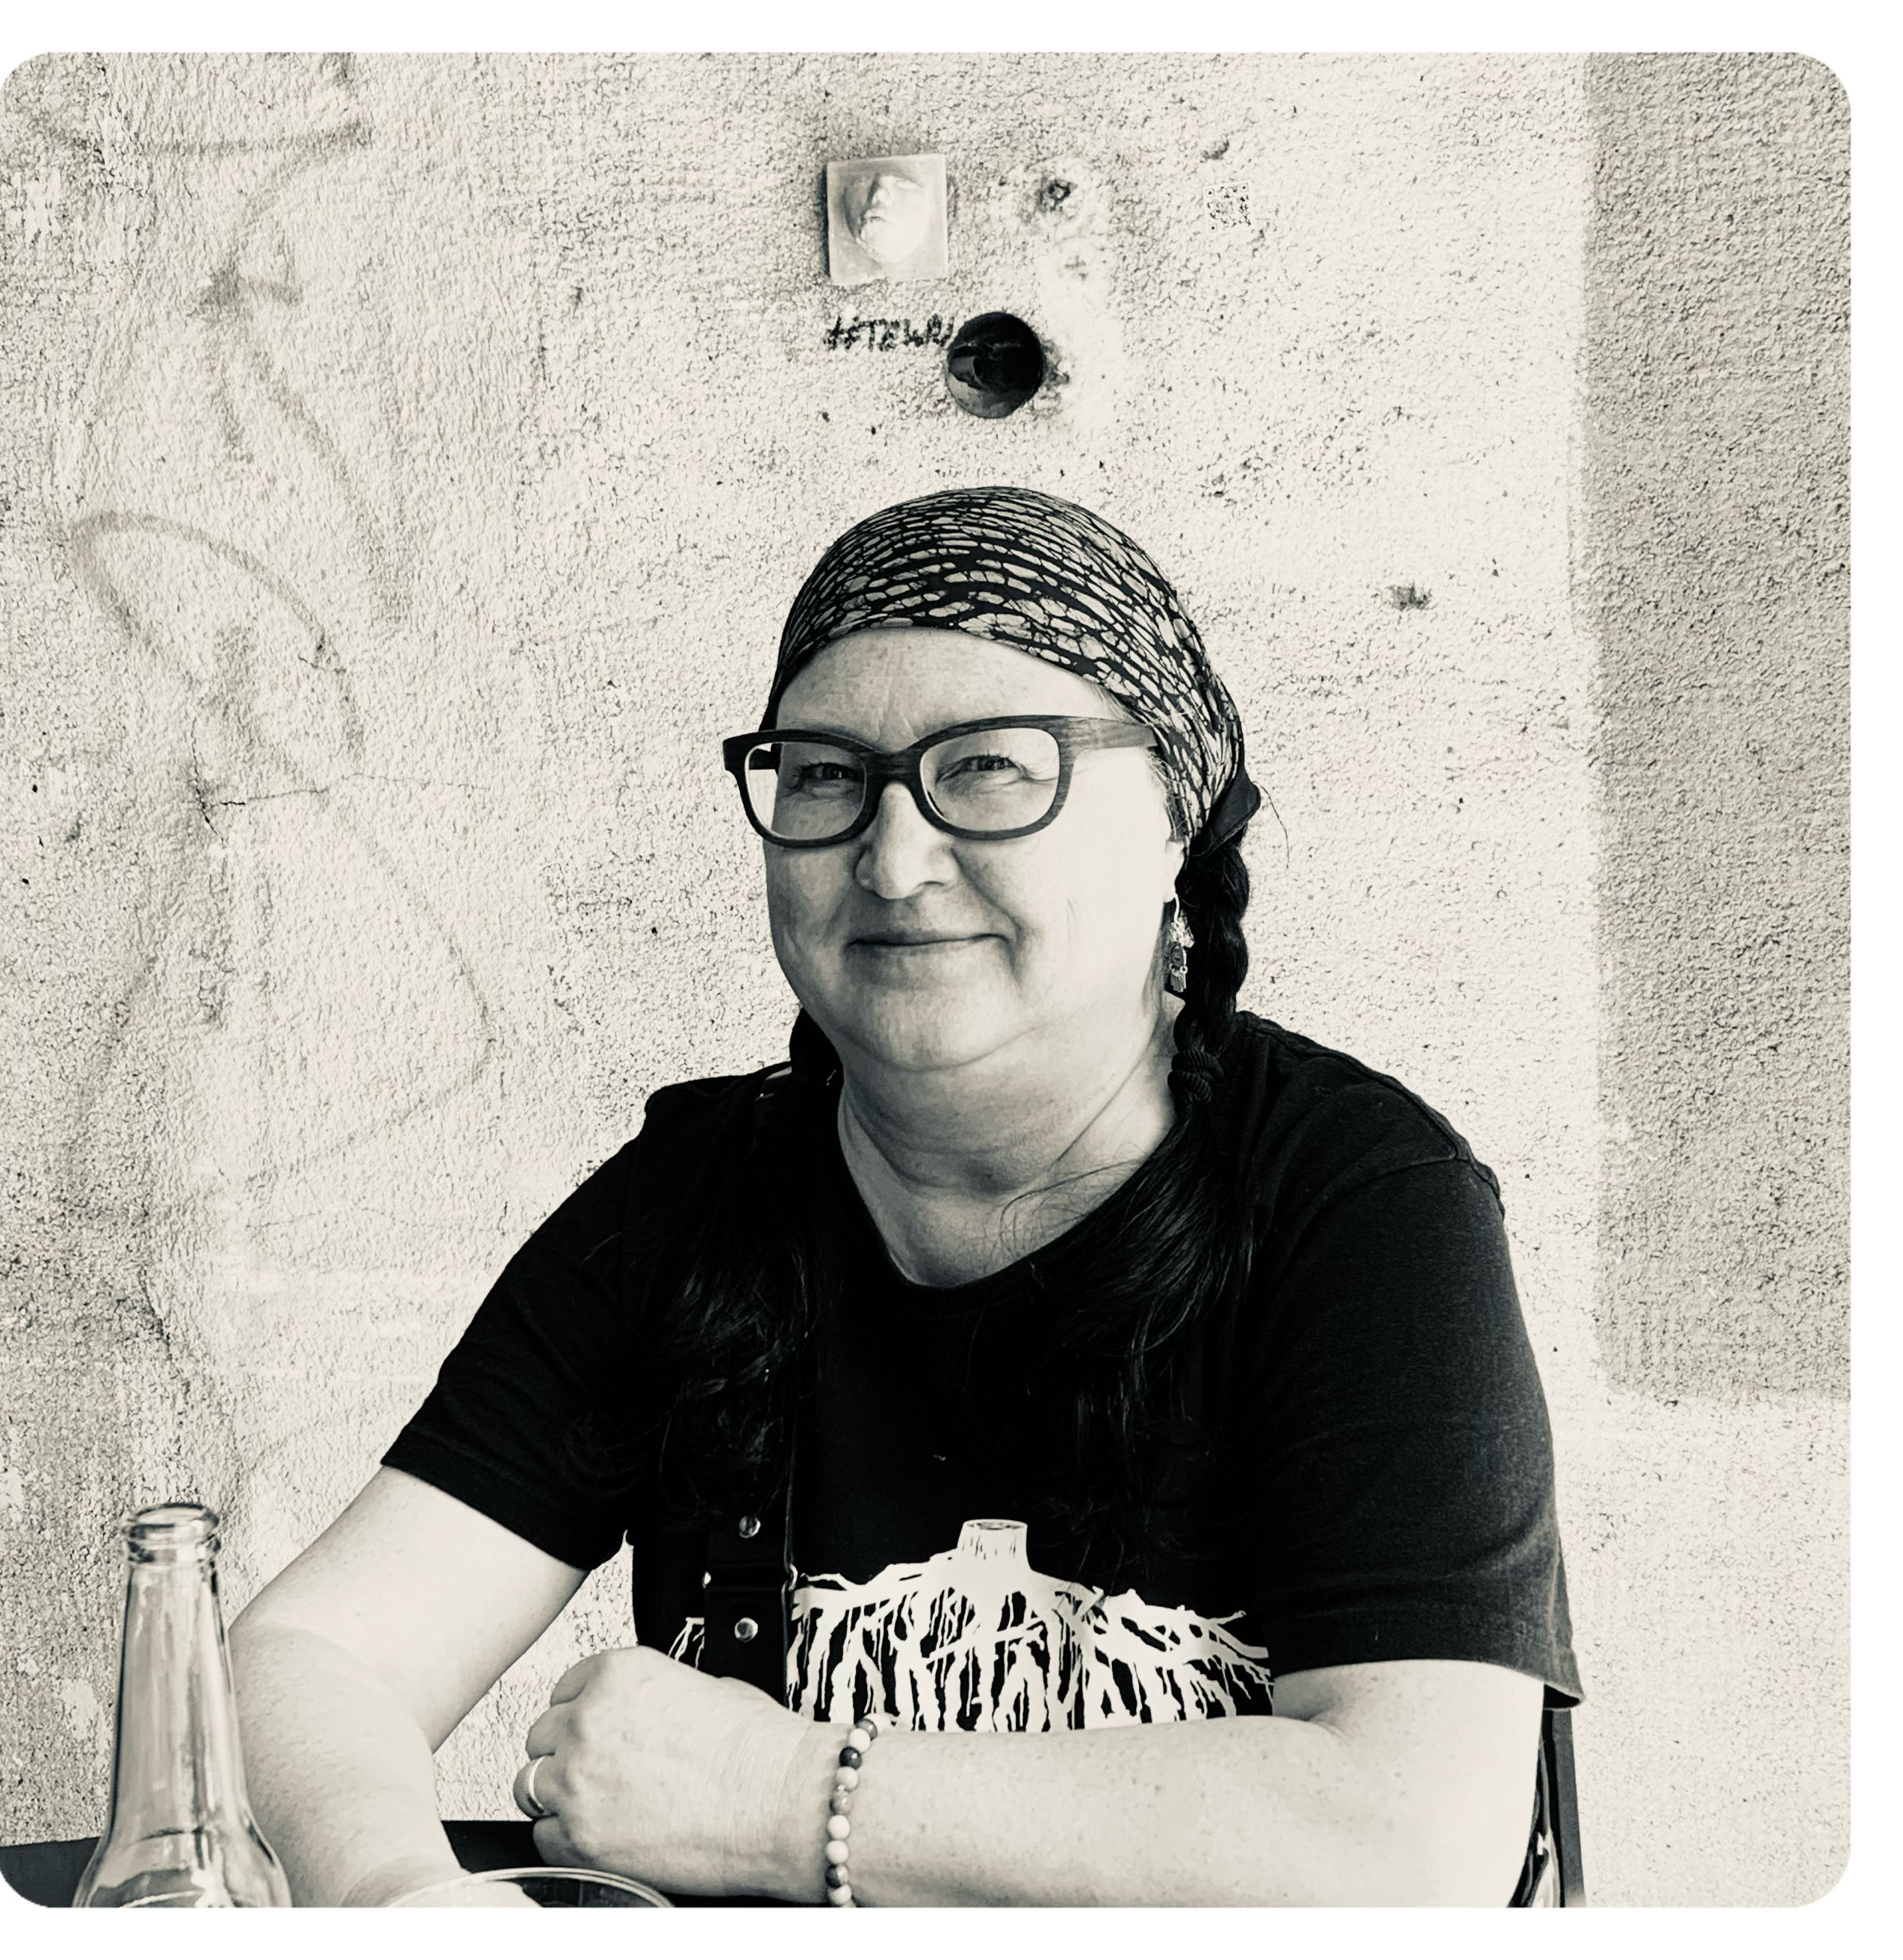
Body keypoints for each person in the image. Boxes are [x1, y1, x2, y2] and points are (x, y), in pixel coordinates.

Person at [230, 485, 1583, 1908]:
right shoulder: (693, 1198)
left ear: (1174, 822)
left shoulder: (1356, 1205)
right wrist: (399, 1897)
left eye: (988, 768)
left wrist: (781, 1798)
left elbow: (1411, 1839)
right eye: (824, 774)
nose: (889, 857)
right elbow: (308, 1655)